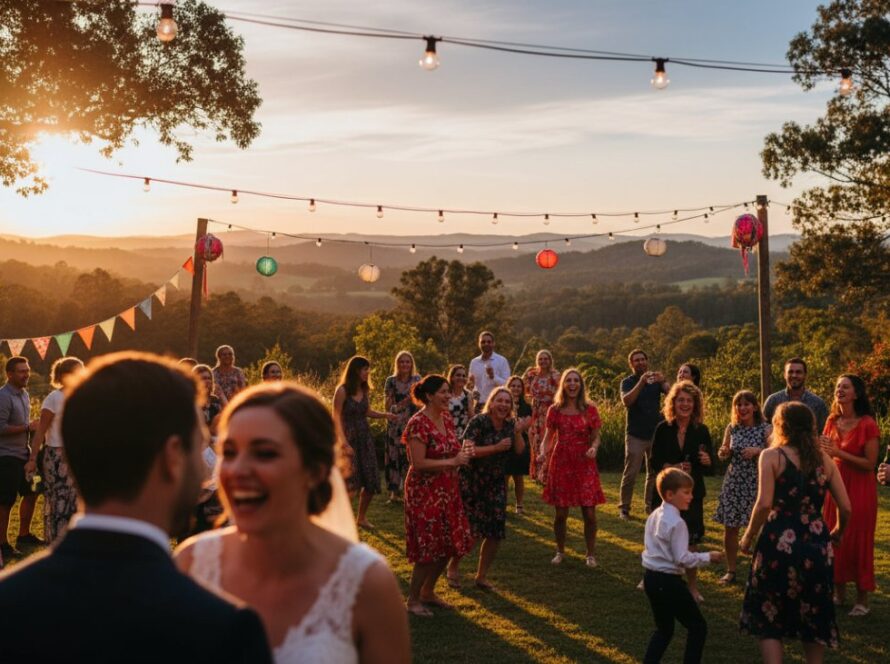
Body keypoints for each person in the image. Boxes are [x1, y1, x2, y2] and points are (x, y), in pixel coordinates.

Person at [0, 352, 273, 662]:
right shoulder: (227, 632)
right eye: (200, 445)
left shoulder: (8, 604)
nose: (205, 469)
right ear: (172, 457)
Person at [177, 383, 410, 664]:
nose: (237, 470)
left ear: (314, 471)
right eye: (229, 452)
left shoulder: (366, 583)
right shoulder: (192, 563)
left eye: (264, 453)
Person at [740, 402, 851, 664]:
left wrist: (747, 537)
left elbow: (764, 504)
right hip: (816, 543)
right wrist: (837, 531)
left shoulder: (771, 456)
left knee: (770, 617)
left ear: (780, 425)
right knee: (813, 616)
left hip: (777, 543)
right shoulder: (824, 460)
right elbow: (846, 507)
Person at [402, 375, 474, 617]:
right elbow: (418, 462)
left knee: (449, 544)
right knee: (428, 547)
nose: (448, 396)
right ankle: (412, 600)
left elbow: (452, 448)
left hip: (448, 488)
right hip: (424, 492)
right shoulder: (417, 423)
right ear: (429, 396)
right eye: (443, 392)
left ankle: (428, 592)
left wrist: (463, 453)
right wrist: (452, 461)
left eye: (448, 392)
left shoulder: (446, 418)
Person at [446, 387, 527, 590]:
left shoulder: (509, 425)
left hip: (496, 483)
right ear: (491, 403)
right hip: (472, 481)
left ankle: (481, 576)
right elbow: (467, 450)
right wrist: (495, 448)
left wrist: (517, 432)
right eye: (499, 400)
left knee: (494, 532)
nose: (503, 405)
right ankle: (453, 566)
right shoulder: (478, 422)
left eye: (507, 402)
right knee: (472, 531)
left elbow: (519, 450)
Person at [642, 468, 723, 664]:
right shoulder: (677, 523)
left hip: (650, 578)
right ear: (670, 494)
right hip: (668, 581)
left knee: (664, 629)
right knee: (698, 626)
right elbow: (682, 559)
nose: (691, 497)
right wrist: (708, 556)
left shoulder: (655, 515)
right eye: (686, 492)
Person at [819, 374, 879, 616]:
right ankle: (838, 593)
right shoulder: (831, 421)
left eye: (845, 387)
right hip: (834, 486)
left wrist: (838, 453)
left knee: (858, 541)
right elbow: (824, 453)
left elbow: (870, 463)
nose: (839, 390)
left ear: (857, 394)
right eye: (837, 387)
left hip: (861, 489)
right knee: (834, 537)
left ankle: (862, 599)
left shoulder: (867, 424)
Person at [650, 381, 713, 602]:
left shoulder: (701, 430)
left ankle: (693, 587)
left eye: (689, 400)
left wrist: (707, 461)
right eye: (681, 400)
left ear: (695, 405)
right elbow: (654, 462)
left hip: (690, 494)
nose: (685, 404)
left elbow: (711, 467)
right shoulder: (663, 428)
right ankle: (654, 578)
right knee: (662, 538)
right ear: (673, 403)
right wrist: (671, 467)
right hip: (666, 494)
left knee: (691, 540)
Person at [537, 369, 605, 567]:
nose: (573, 384)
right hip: (562, 462)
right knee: (560, 514)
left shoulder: (590, 409)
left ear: (581, 385)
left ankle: (590, 554)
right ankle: (560, 551)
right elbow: (548, 438)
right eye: (569, 381)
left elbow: (596, 436)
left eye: (576, 381)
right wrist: (543, 452)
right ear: (564, 385)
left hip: (585, 462)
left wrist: (594, 447)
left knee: (590, 514)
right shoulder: (555, 409)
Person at [713, 390, 771, 585]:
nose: (742, 408)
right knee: (731, 527)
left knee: (760, 528)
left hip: (758, 482)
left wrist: (758, 451)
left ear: (755, 407)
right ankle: (731, 570)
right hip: (734, 481)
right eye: (739, 404)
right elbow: (723, 453)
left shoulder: (766, 429)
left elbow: (776, 451)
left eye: (747, 404)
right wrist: (723, 452)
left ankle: (760, 570)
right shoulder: (732, 428)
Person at [24, 356, 84, 544]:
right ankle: (57, 542)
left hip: (77, 454)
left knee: (76, 499)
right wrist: (33, 458)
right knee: (58, 500)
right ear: (64, 375)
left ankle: (74, 541)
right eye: (77, 370)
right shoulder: (54, 398)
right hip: (56, 457)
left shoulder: (83, 397)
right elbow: (40, 432)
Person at [333, 356, 396, 530]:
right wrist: (343, 442)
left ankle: (361, 518)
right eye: (365, 369)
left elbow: (366, 411)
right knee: (349, 481)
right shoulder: (342, 390)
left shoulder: (364, 389)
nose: (368, 372)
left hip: (364, 437)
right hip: (348, 438)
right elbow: (336, 417)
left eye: (368, 369)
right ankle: (340, 518)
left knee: (370, 478)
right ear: (355, 370)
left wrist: (385, 415)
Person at [618, 349, 670, 520]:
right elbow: (627, 401)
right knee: (631, 472)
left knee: (653, 473)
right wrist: (641, 382)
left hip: (655, 432)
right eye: (636, 360)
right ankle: (624, 508)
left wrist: (664, 382)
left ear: (647, 361)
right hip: (635, 434)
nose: (640, 362)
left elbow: (673, 396)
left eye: (642, 359)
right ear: (631, 364)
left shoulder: (656, 381)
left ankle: (651, 508)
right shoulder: (627, 382)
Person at [0, 356, 40, 561]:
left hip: (24, 454)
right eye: (21, 371)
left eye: (27, 370)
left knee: (31, 493)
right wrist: (27, 427)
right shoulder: (3, 396)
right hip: (6, 456)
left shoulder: (24, 394)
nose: (26, 374)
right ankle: (3, 544)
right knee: (5, 502)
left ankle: (24, 535)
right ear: (9, 374)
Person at [190, 364, 225, 535]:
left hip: (214, 444)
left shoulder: (215, 402)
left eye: (209, 378)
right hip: (199, 448)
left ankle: (214, 518)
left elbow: (222, 421)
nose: (207, 381)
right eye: (202, 378)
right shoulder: (191, 402)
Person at [383, 351, 421, 503]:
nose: (405, 364)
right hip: (395, 424)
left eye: (407, 362)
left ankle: (409, 491)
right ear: (397, 364)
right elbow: (387, 406)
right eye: (402, 362)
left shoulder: (417, 379)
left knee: (410, 457)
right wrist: (399, 405)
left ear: (411, 364)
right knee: (393, 457)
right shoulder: (390, 381)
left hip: (412, 424)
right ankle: (393, 492)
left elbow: (422, 401)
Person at [522, 349, 560, 481]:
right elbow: (523, 388)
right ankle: (537, 473)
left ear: (550, 360)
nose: (543, 361)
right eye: (540, 359)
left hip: (550, 411)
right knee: (536, 440)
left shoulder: (555, 375)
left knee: (549, 440)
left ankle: (547, 474)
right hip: (536, 412)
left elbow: (561, 393)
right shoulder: (532, 375)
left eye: (545, 359)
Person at [762, 358, 828, 433]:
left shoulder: (818, 404)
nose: (794, 375)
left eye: (798, 372)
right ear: (784, 375)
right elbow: (763, 429)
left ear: (805, 375)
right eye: (790, 372)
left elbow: (823, 433)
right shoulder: (773, 401)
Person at [505, 375, 532, 514]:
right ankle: (502, 504)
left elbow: (525, 425)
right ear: (508, 387)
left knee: (518, 476)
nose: (515, 388)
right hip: (505, 443)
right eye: (513, 385)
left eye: (518, 386)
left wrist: (516, 424)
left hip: (521, 443)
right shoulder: (503, 403)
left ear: (522, 389)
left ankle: (519, 505)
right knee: (504, 476)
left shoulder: (527, 407)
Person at [468, 331, 511, 412]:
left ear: (493, 343)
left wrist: (493, 376)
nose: (486, 344)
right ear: (479, 344)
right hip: (478, 405)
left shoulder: (502, 361)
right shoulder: (474, 362)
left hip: (496, 405)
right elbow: (473, 386)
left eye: (489, 342)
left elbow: (507, 385)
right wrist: (471, 384)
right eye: (483, 342)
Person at [446, 364, 475, 434]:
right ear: (452, 377)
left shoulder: (468, 395)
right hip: (447, 431)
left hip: (463, 432)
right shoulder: (446, 394)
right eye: (458, 375)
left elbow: (472, 417)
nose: (461, 378)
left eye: (464, 376)